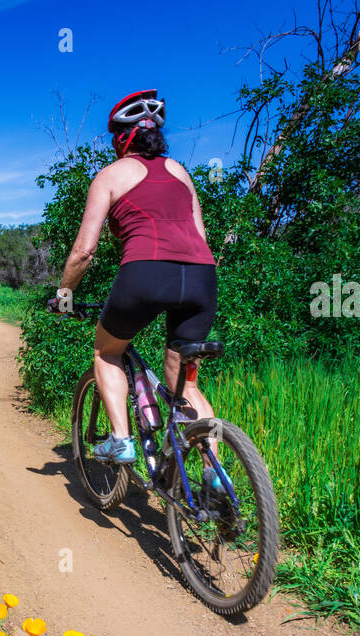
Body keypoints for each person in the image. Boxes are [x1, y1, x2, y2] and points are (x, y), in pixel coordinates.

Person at [51, 90, 223, 491]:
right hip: (201, 276)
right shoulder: (181, 172)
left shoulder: (110, 176)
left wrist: (64, 294)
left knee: (106, 351)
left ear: (120, 140)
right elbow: (201, 236)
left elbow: (84, 251)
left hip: (146, 271)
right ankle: (215, 471)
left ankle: (122, 440)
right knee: (188, 384)